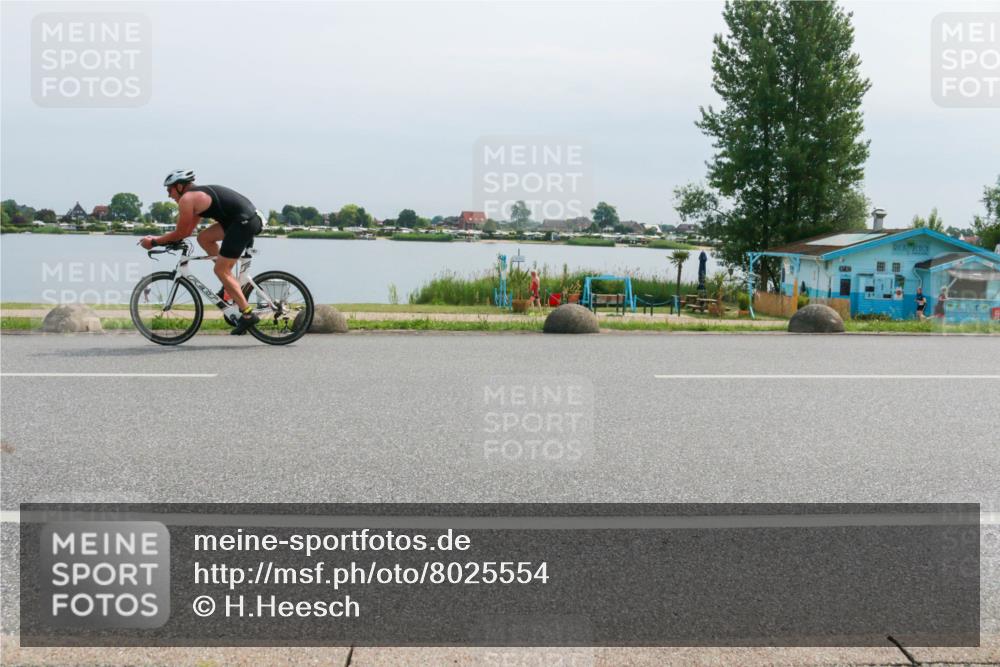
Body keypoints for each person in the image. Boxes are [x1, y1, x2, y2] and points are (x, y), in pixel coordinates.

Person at [140, 170, 264, 334]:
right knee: (204, 238)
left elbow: (180, 232)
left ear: (179, 186)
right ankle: (229, 287)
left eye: (169, 190)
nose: (169, 195)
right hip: (242, 220)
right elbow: (187, 231)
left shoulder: (187, 199)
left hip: (243, 222)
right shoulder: (196, 197)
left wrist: (154, 241)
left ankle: (248, 315)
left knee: (220, 270)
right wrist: (170, 240)